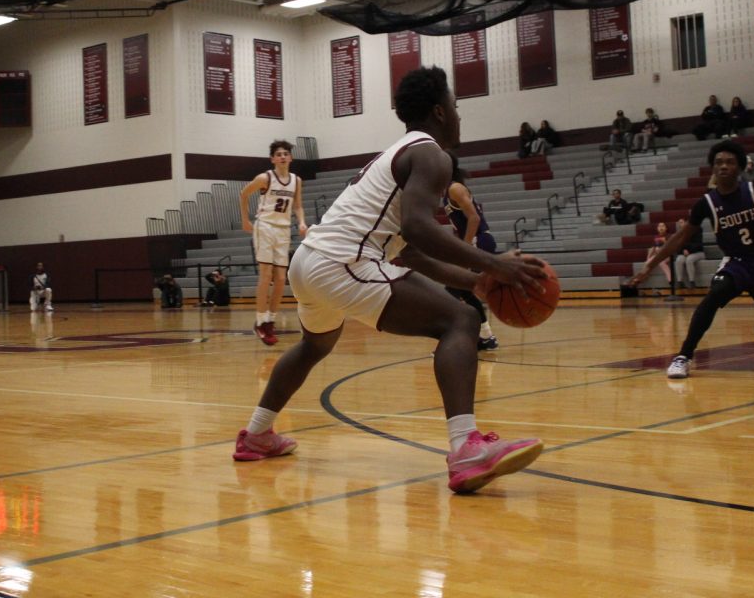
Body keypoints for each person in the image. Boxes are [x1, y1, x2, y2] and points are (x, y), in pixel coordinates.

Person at [232, 66, 549, 495]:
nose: (458, 115)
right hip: (342, 260)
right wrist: (495, 265)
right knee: (460, 322)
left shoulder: (398, 153)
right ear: (439, 111)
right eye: (455, 106)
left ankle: (256, 435)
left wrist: (475, 281)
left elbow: (410, 250)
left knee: (314, 345)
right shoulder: (431, 154)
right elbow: (420, 229)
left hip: (310, 262)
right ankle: (465, 448)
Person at [629, 140, 754, 379]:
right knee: (714, 296)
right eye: (718, 162)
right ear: (712, 168)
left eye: (730, 162)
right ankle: (684, 355)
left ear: (740, 167)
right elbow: (680, 237)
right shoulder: (707, 203)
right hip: (738, 263)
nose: (723, 166)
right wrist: (649, 265)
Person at [239, 140, 308, 345]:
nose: (283, 157)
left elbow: (297, 206)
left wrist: (302, 222)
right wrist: (245, 220)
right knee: (266, 274)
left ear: (291, 157)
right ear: (272, 159)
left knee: (280, 278)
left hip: (283, 229)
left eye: (286, 153)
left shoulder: (296, 180)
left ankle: (271, 320)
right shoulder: (265, 178)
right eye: (278, 154)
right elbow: (243, 194)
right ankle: (260, 321)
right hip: (265, 227)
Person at [443, 152, 498, 350]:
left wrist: (465, 248)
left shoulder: (455, 188)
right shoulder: (447, 190)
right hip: (475, 241)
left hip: (479, 240)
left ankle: (460, 339)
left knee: (453, 289)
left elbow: (473, 218)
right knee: (460, 289)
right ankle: (485, 336)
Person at [672, 218, 705, 289]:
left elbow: (698, 244)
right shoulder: (679, 233)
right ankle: (680, 282)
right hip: (685, 253)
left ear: (686, 222)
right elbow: (678, 247)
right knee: (678, 260)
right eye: (679, 223)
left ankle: (692, 281)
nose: (680, 224)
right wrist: (683, 250)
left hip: (698, 252)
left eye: (682, 222)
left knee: (689, 260)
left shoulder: (697, 229)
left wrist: (688, 250)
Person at [647, 222, 673, 287]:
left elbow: (670, 246)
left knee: (661, 263)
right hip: (658, 255)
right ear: (657, 228)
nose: (661, 227)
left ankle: (670, 280)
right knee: (647, 262)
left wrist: (664, 241)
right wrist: (648, 257)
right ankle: (642, 277)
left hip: (667, 255)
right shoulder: (656, 237)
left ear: (666, 228)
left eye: (663, 226)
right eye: (659, 226)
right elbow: (652, 248)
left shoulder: (669, 236)